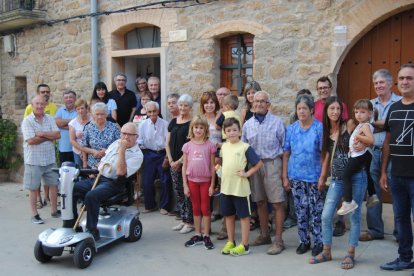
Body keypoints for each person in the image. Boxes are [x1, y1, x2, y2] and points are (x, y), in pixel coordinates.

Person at [309, 96, 367, 270]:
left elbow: (365, 138)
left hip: (356, 176)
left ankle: (350, 253)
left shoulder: (348, 125)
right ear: (326, 111)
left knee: (354, 216)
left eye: (338, 109)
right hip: (336, 178)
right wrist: (322, 176)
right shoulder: (325, 130)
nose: (335, 112)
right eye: (331, 109)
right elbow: (326, 156)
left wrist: (362, 146)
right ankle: (327, 251)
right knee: (326, 215)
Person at [72, 122, 143, 241]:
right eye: (123, 133)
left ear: (136, 136)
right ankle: (73, 223)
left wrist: (122, 150)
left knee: (91, 196)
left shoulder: (138, 155)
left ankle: (92, 230)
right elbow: (104, 160)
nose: (126, 137)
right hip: (99, 177)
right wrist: (96, 169)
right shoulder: (115, 143)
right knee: (74, 188)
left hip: (115, 183)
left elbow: (121, 173)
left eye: (130, 134)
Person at [360, 69, 402, 242]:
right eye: (376, 83)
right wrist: (385, 125)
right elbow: (362, 125)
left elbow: (393, 125)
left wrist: (376, 124)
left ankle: (400, 233)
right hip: (372, 153)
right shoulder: (369, 104)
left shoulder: (400, 103)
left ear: (391, 84)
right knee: (373, 193)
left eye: (382, 82)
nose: (378, 86)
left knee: (398, 193)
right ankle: (375, 230)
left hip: (394, 155)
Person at [242, 91, 286, 255]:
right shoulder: (247, 124)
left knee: (276, 203)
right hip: (255, 166)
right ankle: (264, 235)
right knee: (260, 201)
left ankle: (278, 240)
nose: (259, 104)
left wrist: (283, 172)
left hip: (272, 163)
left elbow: (284, 146)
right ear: (252, 104)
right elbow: (244, 147)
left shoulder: (277, 122)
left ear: (268, 104)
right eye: (256, 101)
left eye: (262, 101)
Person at [380, 64, 414, 271]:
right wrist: (384, 171)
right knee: (400, 219)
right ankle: (404, 258)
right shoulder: (394, 108)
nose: (405, 82)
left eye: (409, 78)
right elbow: (387, 143)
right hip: (397, 175)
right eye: (401, 78)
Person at [283, 94, 325, 256]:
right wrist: (285, 176)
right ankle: (304, 241)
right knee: (301, 211)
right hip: (296, 176)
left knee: (315, 211)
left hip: (314, 177)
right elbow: (286, 153)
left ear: (311, 110)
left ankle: (318, 241)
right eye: (299, 108)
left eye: (304, 108)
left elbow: (323, 154)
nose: (301, 111)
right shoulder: (292, 128)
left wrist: (322, 176)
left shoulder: (319, 128)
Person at [220, 117, 263, 256]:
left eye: (234, 130)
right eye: (228, 130)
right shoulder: (224, 146)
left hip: (240, 189)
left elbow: (258, 164)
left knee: (244, 217)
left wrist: (246, 174)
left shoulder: (245, 147)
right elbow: (221, 162)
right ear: (224, 133)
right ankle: (231, 241)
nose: (231, 133)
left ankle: (245, 245)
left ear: (239, 131)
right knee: (229, 215)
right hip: (226, 188)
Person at [314, 76, 349, 237]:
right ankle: (322, 220)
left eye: (326, 87)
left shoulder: (340, 105)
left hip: (336, 149)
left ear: (330, 87)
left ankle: (340, 220)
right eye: (320, 88)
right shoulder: (314, 106)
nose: (323, 90)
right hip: (321, 149)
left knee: (338, 186)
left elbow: (345, 125)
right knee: (324, 184)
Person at [21, 95, 61, 224]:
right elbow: (31, 141)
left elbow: (58, 135)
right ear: (32, 106)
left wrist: (42, 134)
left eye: (41, 104)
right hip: (33, 160)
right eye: (37, 104)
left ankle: (54, 211)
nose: (39, 106)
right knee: (33, 188)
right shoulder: (27, 121)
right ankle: (34, 215)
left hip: (49, 158)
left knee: (54, 184)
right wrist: (49, 137)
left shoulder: (49, 118)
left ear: (45, 105)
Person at [182, 115, 217, 249]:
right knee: (196, 208)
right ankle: (197, 233)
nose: (198, 130)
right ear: (192, 128)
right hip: (192, 181)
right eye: (196, 127)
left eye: (201, 127)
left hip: (206, 182)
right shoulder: (187, 146)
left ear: (205, 129)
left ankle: (206, 235)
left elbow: (212, 167)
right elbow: (184, 167)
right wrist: (185, 185)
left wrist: (212, 185)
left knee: (205, 208)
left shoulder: (210, 146)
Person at [337, 100, 376, 215]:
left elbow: (371, 140)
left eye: (362, 112)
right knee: (368, 174)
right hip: (358, 154)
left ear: (369, 113)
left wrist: (357, 134)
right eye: (356, 112)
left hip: (359, 155)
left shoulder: (364, 126)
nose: (358, 114)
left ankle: (348, 201)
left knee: (345, 175)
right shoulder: (361, 125)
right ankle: (372, 195)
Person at [166, 94, 194, 234]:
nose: (182, 108)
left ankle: (190, 222)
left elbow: (191, 146)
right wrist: (171, 160)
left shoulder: (192, 124)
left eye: (185, 106)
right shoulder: (173, 122)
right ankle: (183, 219)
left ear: (190, 108)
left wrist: (179, 161)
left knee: (187, 192)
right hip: (173, 163)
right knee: (178, 192)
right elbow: (167, 143)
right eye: (181, 105)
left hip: (186, 163)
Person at [138, 101, 171, 214]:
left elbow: (168, 142)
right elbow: (139, 141)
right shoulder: (142, 125)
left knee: (165, 180)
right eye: (149, 111)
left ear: (158, 111)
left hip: (162, 154)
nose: (152, 114)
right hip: (149, 154)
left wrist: (167, 158)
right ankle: (150, 205)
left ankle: (164, 206)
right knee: (147, 181)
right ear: (146, 112)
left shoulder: (165, 124)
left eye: (154, 111)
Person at [80, 102, 120, 169]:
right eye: (97, 114)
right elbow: (83, 146)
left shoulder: (113, 127)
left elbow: (119, 144)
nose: (99, 116)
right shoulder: (88, 127)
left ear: (106, 114)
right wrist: (92, 153)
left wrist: (107, 151)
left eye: (102, 114)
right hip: (93, 164)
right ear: (93, 115)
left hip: (110, 163)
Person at [55, 90, 77, 164]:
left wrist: (63, 125)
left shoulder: (79, 110)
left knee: (78, 172)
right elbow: (57, 123)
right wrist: (73, 121)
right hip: (64, 148)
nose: (68, 99)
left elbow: (80, 127)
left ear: (75, 99)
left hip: (77, 148)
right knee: (65, 171)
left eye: (71, 97)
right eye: (66, 98)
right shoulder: (60, 110)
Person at [69, 99, 91, 167]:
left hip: (91, 151)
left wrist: (88, 151)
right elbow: (72, 140)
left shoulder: (93, 119)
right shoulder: (73, 123)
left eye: (82, 108)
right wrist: (82, 150)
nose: (80, 111)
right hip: (78, 151)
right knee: (79, 172)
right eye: (78, 109)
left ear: (86, 108)